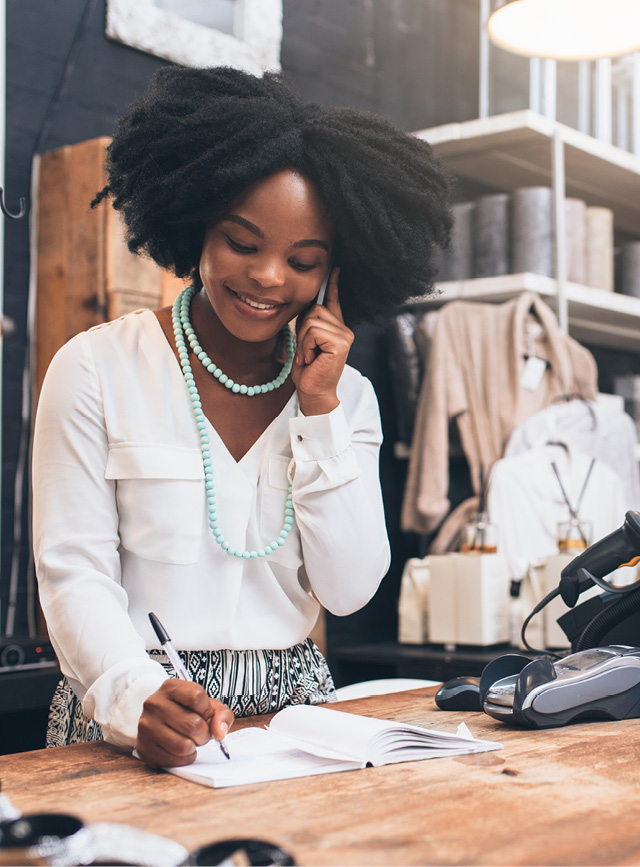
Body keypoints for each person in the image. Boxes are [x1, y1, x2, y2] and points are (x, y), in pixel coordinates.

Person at [32, 65, 452, 768]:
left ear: (334, 273)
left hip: (296, 725)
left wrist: (319, 410)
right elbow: (74, 574)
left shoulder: (347, 398)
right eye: (242, 242)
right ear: (196, 224)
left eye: (302, 259)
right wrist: (137, 695)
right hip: (129, 714)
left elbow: (348, 592)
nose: (267, 277)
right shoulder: (94, 368)